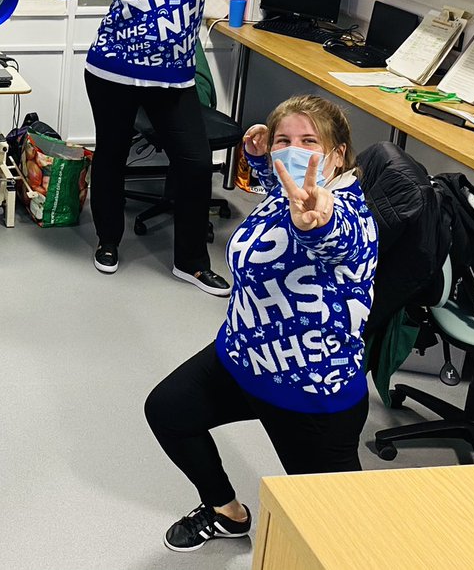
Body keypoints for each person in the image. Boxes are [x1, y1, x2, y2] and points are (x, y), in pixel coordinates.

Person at [143, 95, 378, 553]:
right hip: (242, 359)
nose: (294, 149)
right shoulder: (285, 191)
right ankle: (226, 513)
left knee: (337, 534)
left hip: (309, 392)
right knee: (168, 411)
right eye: (284, 140)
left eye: (310, 141)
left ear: (338, 155)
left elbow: (331, 234)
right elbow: (286, 191)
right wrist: (257, 156)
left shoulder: (347, 214)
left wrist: (318, 224)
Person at [44, 0, 275, 295]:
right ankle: (108, 241)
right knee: (111, 156)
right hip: (111, 73)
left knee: (194, 161)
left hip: (172, 81)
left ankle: (190, 262)